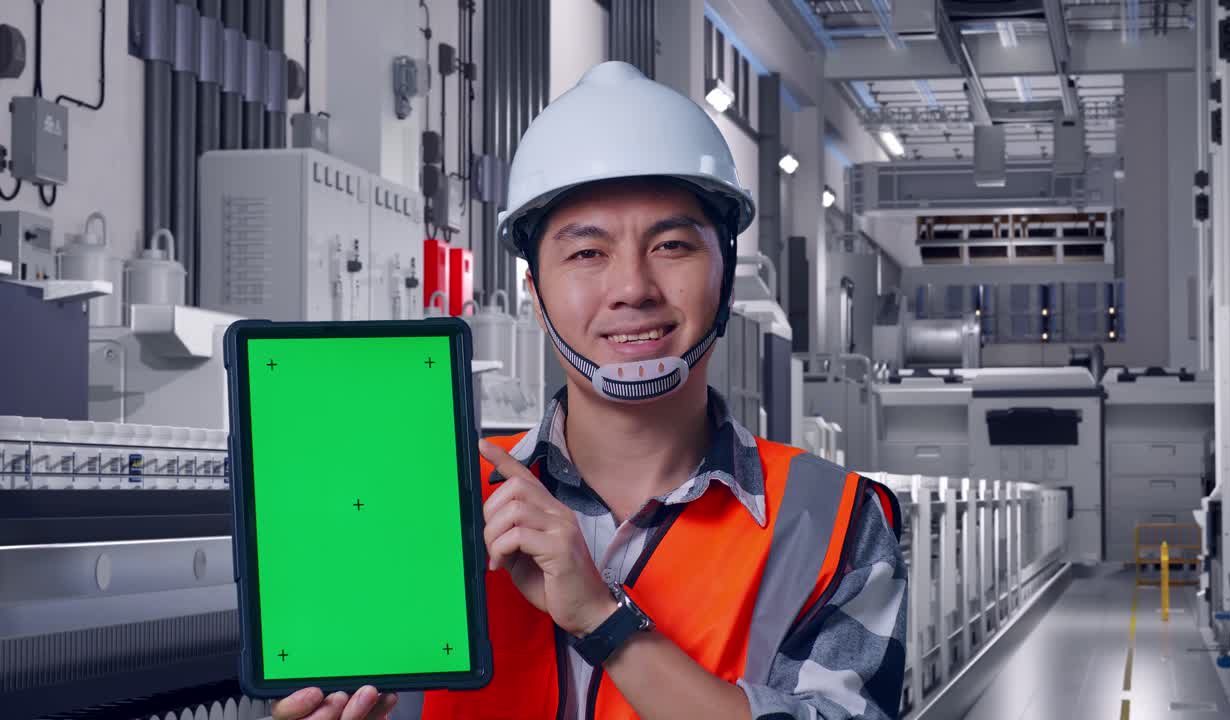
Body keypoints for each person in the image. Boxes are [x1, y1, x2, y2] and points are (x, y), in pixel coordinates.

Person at [272, 61, 907, 720]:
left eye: (672, 246)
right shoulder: (433, 507)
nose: (632, 287)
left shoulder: (832, 521)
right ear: (536, 296)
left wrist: (607, 623)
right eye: (586, 253)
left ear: (724, 279)